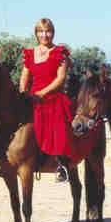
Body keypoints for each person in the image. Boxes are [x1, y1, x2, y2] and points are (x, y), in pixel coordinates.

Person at [19, 18, 73, 182]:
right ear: (36, 33)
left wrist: (42, 93)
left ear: (52, 33)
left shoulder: (59, 52)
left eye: (48, 31)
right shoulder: (30, 53)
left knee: (58, 123)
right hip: (33, 97)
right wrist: (23, 92)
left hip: (53, 96)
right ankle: (13, 159)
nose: (44, 35)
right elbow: (24, 77)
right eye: (41, 31)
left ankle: (61, 164)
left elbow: (60, 78)